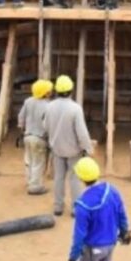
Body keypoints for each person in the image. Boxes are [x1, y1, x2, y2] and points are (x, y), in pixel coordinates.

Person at [68, 157, 131, 261]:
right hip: (110, 244)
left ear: (80, 177)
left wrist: (73, 256)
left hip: (93, 247)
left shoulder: (83, 204)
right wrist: (125, 232)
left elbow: (79, 235)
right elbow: (121, 214)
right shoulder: (112, 190)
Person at [43, 75, 93, 216]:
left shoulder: (49, 107)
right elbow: (81, 132)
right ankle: (75, 208)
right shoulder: (75, 108)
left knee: (58, 177)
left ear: (56, 90)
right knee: (75, 179)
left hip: (57, 149)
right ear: (71, 90)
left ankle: (58, 207)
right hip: (73, 150)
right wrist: (87, 148)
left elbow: (45, 126)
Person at [17, 79, 53, 195]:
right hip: (39, 137)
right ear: (44, 92)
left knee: (29, 160)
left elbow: (21, 117)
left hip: (27, 136)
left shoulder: (28, 101)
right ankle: (35, 186)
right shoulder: (48, 106)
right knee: (39, 162)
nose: (50, 92)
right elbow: (48, 124)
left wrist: (21, 128)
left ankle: (29, 180)